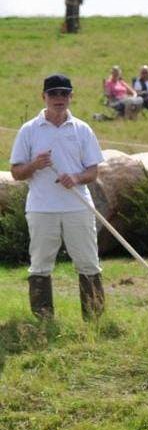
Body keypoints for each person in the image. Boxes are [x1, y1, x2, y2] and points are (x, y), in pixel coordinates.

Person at [9, 74, 107, 320]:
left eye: (64, 93)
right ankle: (44, 320)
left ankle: (94, 319)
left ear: (71, 96)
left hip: (78, 207)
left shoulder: (83, 129)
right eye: (53, 94)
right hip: (41, 208)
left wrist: (75, 178)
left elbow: (93, 172)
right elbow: (16, 172)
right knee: (40, 264)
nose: (59, 98)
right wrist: (35, 165)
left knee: (88, 263)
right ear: (43, 97)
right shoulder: (29, 130)